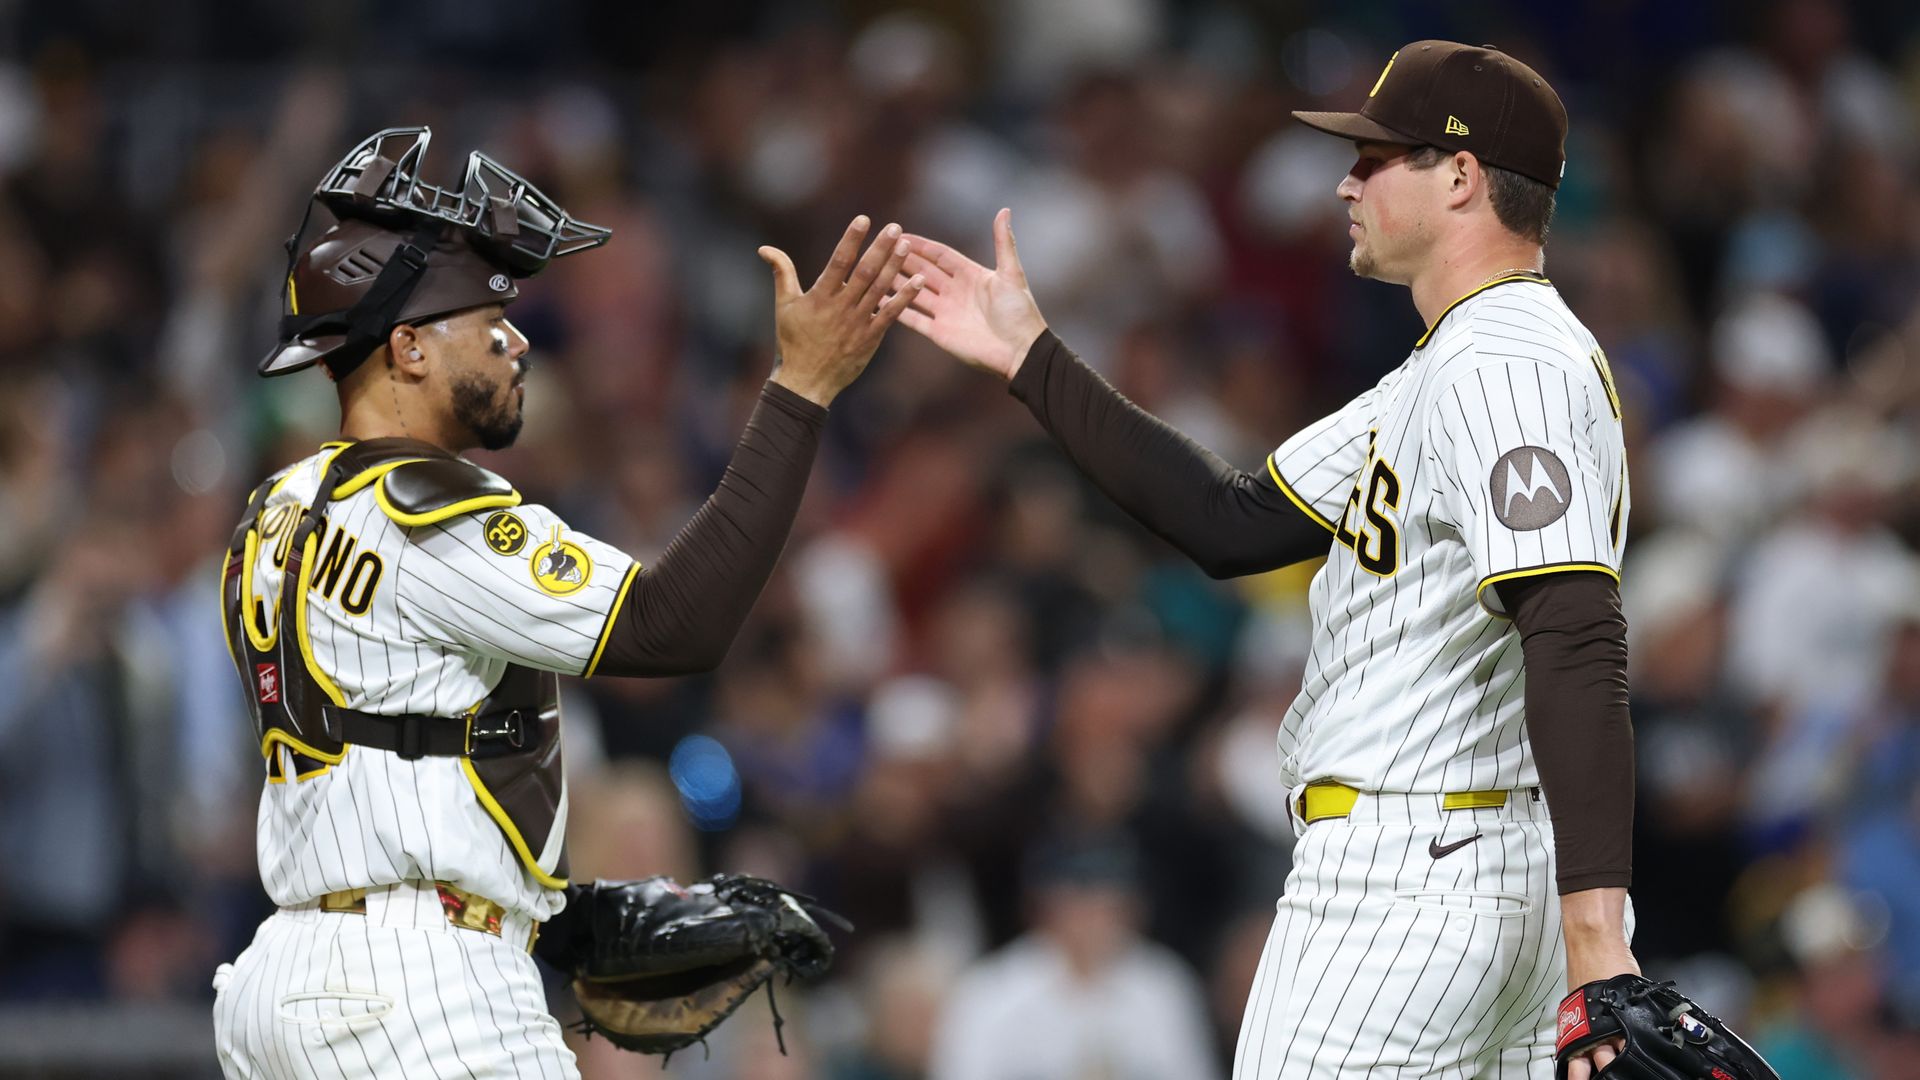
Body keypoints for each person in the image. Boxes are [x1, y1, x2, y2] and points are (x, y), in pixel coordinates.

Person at [899, 42, 1638, 1079]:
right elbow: (1230, 520)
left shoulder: (1505, 361)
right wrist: (1033, 358)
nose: (1347, 180)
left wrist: (1599, 943)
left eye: (1378, 158)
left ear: (1462, 177)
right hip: (1483, 872)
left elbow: (1573, 626)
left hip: (1407, 880)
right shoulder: (1443, 371)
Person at [210, 127, 923, 1078]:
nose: (518, 342)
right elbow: (676, 624)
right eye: (487, 320)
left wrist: (548, 915)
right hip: (416, 987)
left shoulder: (276, 509)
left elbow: (398, 750)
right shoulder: (426, 507)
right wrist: (802, 388)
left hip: (289, 978)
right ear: (410, 348)